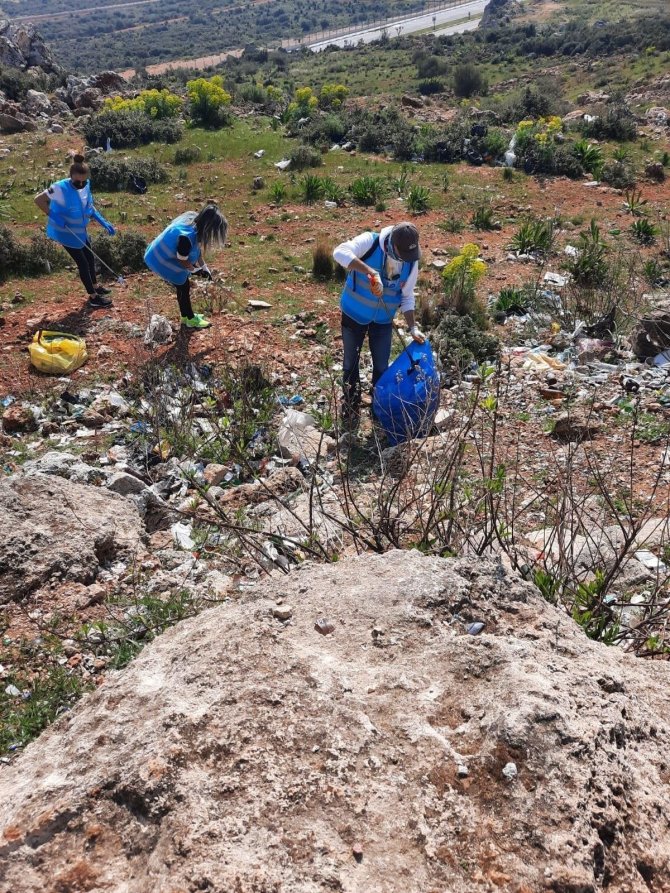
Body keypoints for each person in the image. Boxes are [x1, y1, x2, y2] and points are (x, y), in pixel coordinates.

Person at [333, 222, 425, 425]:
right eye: (401, 255)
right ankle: (351, 405)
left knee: (382, 366)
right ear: (392, 242)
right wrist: (370, 272)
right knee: (350, 362)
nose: (404, 260)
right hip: (353, 314)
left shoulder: (411, 261)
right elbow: (339, 252)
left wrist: (413, 328)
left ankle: (378, 408)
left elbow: (407, 296)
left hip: (383, 321)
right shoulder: (371, 242)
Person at [34, 154, 117, 309]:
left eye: (83, 180)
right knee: (83, 264)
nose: (80, 183)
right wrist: (53, 216)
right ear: (70, 176)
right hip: (66, 232)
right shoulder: (59, 187)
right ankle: (93, 297)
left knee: (90, 258)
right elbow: (38, 200)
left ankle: (95, 286)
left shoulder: (86, 186)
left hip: (81, 231)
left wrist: (103, 222)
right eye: (76, 181)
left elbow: (89, 207)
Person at [144, 204, 228, 329]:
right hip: (160, 260)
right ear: (208, 227)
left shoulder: (195, 225)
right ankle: (190, 318)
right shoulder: (186, 237)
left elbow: (197, 251)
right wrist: (196, 271)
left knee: (183, 286)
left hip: (165, 257)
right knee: (183, 286)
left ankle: (185, 317)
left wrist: (204, 268)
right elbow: (182, 259)